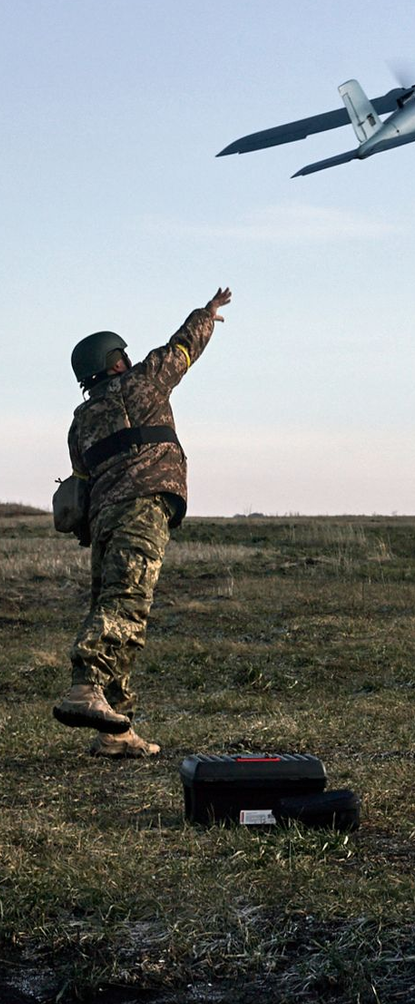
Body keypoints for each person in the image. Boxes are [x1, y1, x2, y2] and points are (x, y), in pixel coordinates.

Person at [53, 288, 233, 758]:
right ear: (116, 361)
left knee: (111, 605)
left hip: (103, 521)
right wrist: (207, 313)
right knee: (127, 605)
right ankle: (85, 684)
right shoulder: (144, 382)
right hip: (142, 506)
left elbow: (81, 483)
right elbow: (184, 347)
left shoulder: (80, 422)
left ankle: (115, 730)